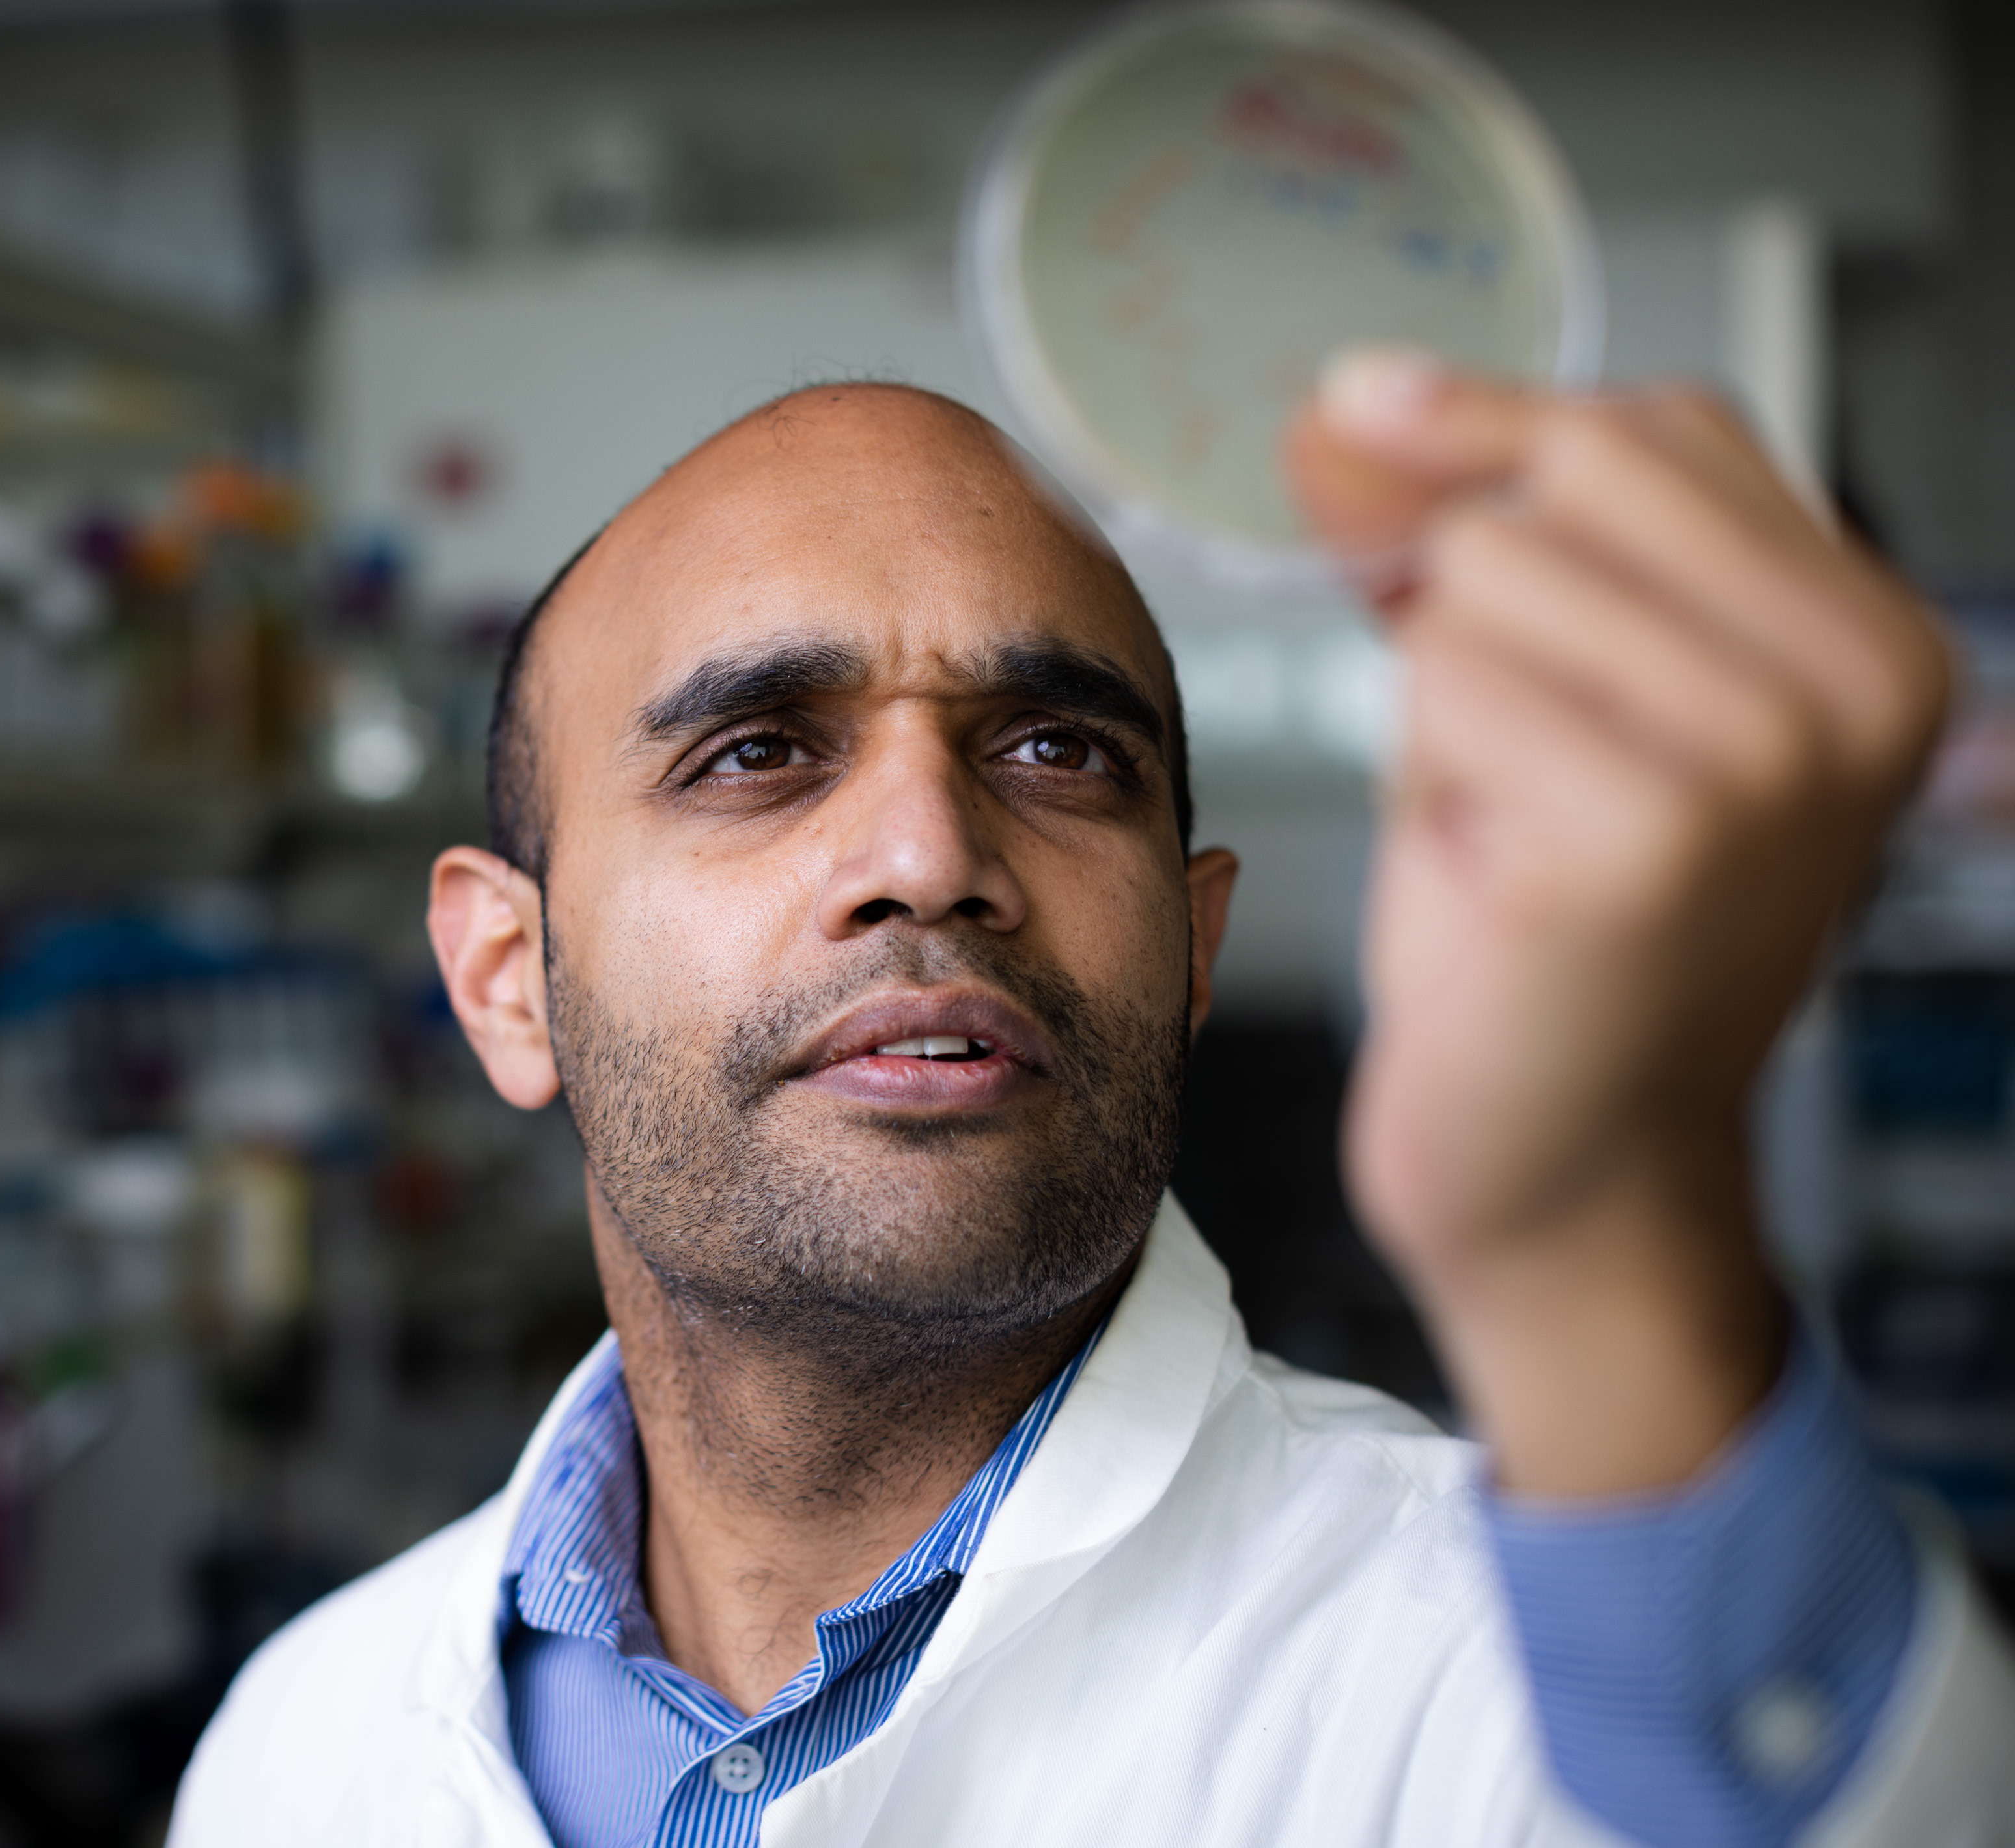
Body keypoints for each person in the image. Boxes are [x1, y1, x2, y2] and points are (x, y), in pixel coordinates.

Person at [169, 353, 2015, 1847]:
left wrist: (1588, 1229)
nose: (927, 853)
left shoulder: (1521, 1688)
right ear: (509, 979)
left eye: (1058, 752)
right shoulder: (305, 1748)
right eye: (757, 753)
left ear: (1192, 951)